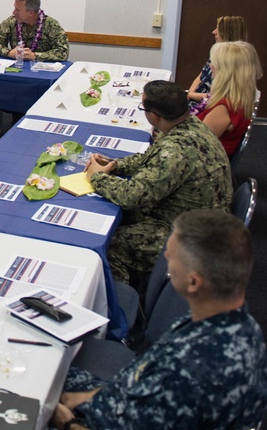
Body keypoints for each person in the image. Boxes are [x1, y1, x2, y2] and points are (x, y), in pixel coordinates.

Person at [51, 210, 267, 430]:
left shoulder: (188, 372)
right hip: (123, 400)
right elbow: (135, 383)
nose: (165, 258)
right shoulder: (239, 324)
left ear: (193, 282)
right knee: (49, 367)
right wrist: (82, 398)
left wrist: (65, 421)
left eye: (172, 256)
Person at [84, 80, 232, 284]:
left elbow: (132, 196)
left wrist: (96, 177)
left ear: (155, 116)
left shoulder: (175, 151)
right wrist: (115, 164)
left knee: (112, 242)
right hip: (204, 220)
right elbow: (150, 158)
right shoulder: (191, 125)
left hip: (194, 239)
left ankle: (121, 302)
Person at [196, 41, 262, 156]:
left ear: (227, 72)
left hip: (205, 163)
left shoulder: (224, 107)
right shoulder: (239, 99)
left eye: (215, 64)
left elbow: (195, 145)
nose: (211, 67)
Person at [187, 15, 247, 109]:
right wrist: (188, 95)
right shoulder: (217, 54)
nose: (214, 32)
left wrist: (189, 95)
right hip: (195, 101)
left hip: (209, 107)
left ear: (229, 33)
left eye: (218, 29)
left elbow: (218, 97)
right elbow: (200, 77)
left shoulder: (233, 62)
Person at [0, 0, 69, 61]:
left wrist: (34, 56)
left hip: (41, 71)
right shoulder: (10, 22)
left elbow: (63, 52)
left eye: (17, 10)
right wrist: (10, 53)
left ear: (30, 13)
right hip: (16, 67)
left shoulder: (51, 26)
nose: (13, 12)